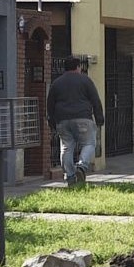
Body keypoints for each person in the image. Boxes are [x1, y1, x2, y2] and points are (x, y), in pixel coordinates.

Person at [46, 57, 105, 187]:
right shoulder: (85, 80)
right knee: (89, 143)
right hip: (83, 117)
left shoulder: (57, 83)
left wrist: (51, 120)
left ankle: (70, 177)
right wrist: (99, 118)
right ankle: (82, 166)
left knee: (66, 147)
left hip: (62, 120)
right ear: (78, 67)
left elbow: (50, 103)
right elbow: (95, 100)